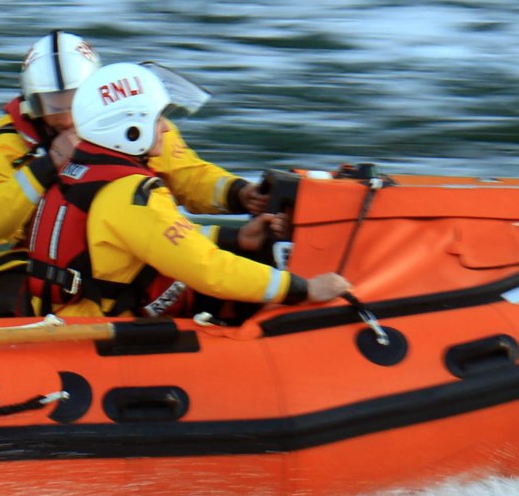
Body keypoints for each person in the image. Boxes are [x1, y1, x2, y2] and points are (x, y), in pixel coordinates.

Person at [0, 31, 277, 315]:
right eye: (56, 104)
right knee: (0, 305)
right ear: (33, 103)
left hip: (129, 250)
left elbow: (188, 175)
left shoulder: (134, 124)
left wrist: (238, 193)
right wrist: (44, 168)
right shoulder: (0, 146)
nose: (71, 113)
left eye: (78, 97)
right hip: (38, 263)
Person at [24, 60, 352, 321]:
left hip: (69, 312)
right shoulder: (130, 193)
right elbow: (207, 270)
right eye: (158, 119)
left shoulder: (81, 170)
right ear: (128, 128)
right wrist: (301, 287)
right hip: (101, 326)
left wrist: (235, 238)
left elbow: (157, 239)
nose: (166, 128)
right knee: (233, 295)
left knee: (240, 259)